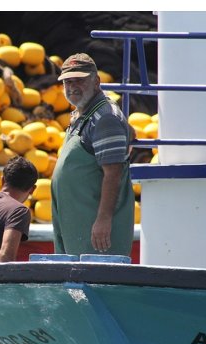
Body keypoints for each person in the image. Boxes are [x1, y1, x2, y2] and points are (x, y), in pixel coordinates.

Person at [51, 53, 134, 257]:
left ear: (96, 81)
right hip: (76, 227)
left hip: (95, 234)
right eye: (67, 82)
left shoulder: (105, 118)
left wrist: (103, 220)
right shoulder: (83, 114)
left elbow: (113, 173)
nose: (72, 87)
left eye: (79, 80)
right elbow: (128, 132)